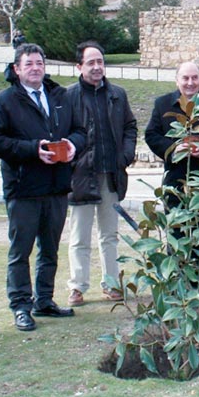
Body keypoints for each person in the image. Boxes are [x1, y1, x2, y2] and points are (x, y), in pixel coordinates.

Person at [0, 44, 86, 331]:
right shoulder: (5, 102)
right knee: (21, 251)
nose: (35, 68)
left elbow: (81, 131)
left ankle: (44, 300)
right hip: (24, 187)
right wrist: (31, 149)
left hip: (56, 186)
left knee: (50, 249)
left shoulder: (60, 96)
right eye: (28, 64)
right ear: (17, 69)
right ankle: (20, 305)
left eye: (39, 63)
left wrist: (72, 144)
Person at [65, 41, 137, 306]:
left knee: (109, 235)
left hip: (111, 176)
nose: (97, 67)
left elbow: (130, 126)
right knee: (79, 236)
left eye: (100, 62)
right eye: (91, 62)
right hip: (82, 177)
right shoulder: (68, 96)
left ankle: (111, 283)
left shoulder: (117, 94)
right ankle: (77, 286)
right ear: (79, 66)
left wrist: (126, 155)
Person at [145, 61, 199, 277]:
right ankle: (177, 284)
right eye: (185, 78)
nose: (190, 83)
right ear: (177, 80)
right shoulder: (163, 104)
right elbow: (151, 135)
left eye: (194, 78)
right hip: (175, 181)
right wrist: (174, 149)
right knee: (176, 233)